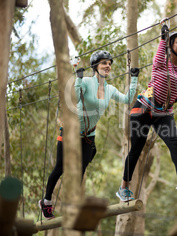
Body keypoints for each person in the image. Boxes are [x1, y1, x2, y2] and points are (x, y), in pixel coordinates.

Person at [116, 26, 177, 201]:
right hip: (143, 108)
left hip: (163, 112)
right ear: (170, 47)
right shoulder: (161, 63)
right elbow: (160, 52)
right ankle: (123, 187)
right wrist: (163, 38)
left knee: (174, 142)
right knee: (137, 149)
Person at [39, 50, 139, 219]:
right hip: (70, 132)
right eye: (103, 63)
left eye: (109, 63)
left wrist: (134, 78)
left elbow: (128, 98)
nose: (107, 66)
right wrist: (77, 79)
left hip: (88, 135)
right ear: (95, 66)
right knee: (60, 168)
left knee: (81, 170)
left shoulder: (111, 89)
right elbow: (76, 98)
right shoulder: (85, 81)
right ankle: (46, 202)